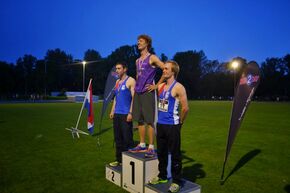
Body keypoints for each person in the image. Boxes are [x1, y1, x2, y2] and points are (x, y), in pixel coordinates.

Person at [149, 61, 189, 193]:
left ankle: (176, 181)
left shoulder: (179, 87)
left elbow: (185, 109)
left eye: (166, 69)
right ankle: (162, 176)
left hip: (173, 126)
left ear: (173, 72)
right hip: (160, 125)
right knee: (161, 153)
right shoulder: (160, 86)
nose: (164, 71)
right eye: (163, 69)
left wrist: (180, 123)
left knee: (176, 155)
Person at [129, 34, 165, 158]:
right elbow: (138, 76)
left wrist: (157, 86)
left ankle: (151, 147)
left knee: (149, 121)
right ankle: (142, 144)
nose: (138, 43)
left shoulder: (152, 57)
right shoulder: (137, 60)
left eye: (140, 41)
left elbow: (165, 69)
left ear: (147, 44)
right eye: (137, 41)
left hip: (148, 92)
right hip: (138, 92)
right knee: (139, 119)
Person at [109, 62, 136, 167]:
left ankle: (129, 163)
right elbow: (115, 97)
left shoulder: (131, 80)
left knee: (127, 139)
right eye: (116, 68)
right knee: (118, 138)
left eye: (119, 68)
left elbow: (134, 98)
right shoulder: (117, 82)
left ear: (125, 69)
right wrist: (112, 111)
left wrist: (131, 112)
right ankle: (119, 160)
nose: (117, 70)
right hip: (117, 114)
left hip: (126, 114)